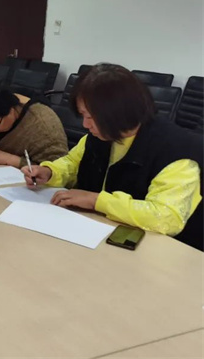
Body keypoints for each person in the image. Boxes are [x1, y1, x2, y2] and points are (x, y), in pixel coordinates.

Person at [22, 63, 203, 251]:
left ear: (119, 113)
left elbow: (166, 217)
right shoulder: (100, 135)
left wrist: (97, 201)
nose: (85, 125)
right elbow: (73, 163)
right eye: (83, 115)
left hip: (163, 251)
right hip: (101, 236)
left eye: (90, 117)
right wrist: (50, 172)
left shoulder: (178, 152)